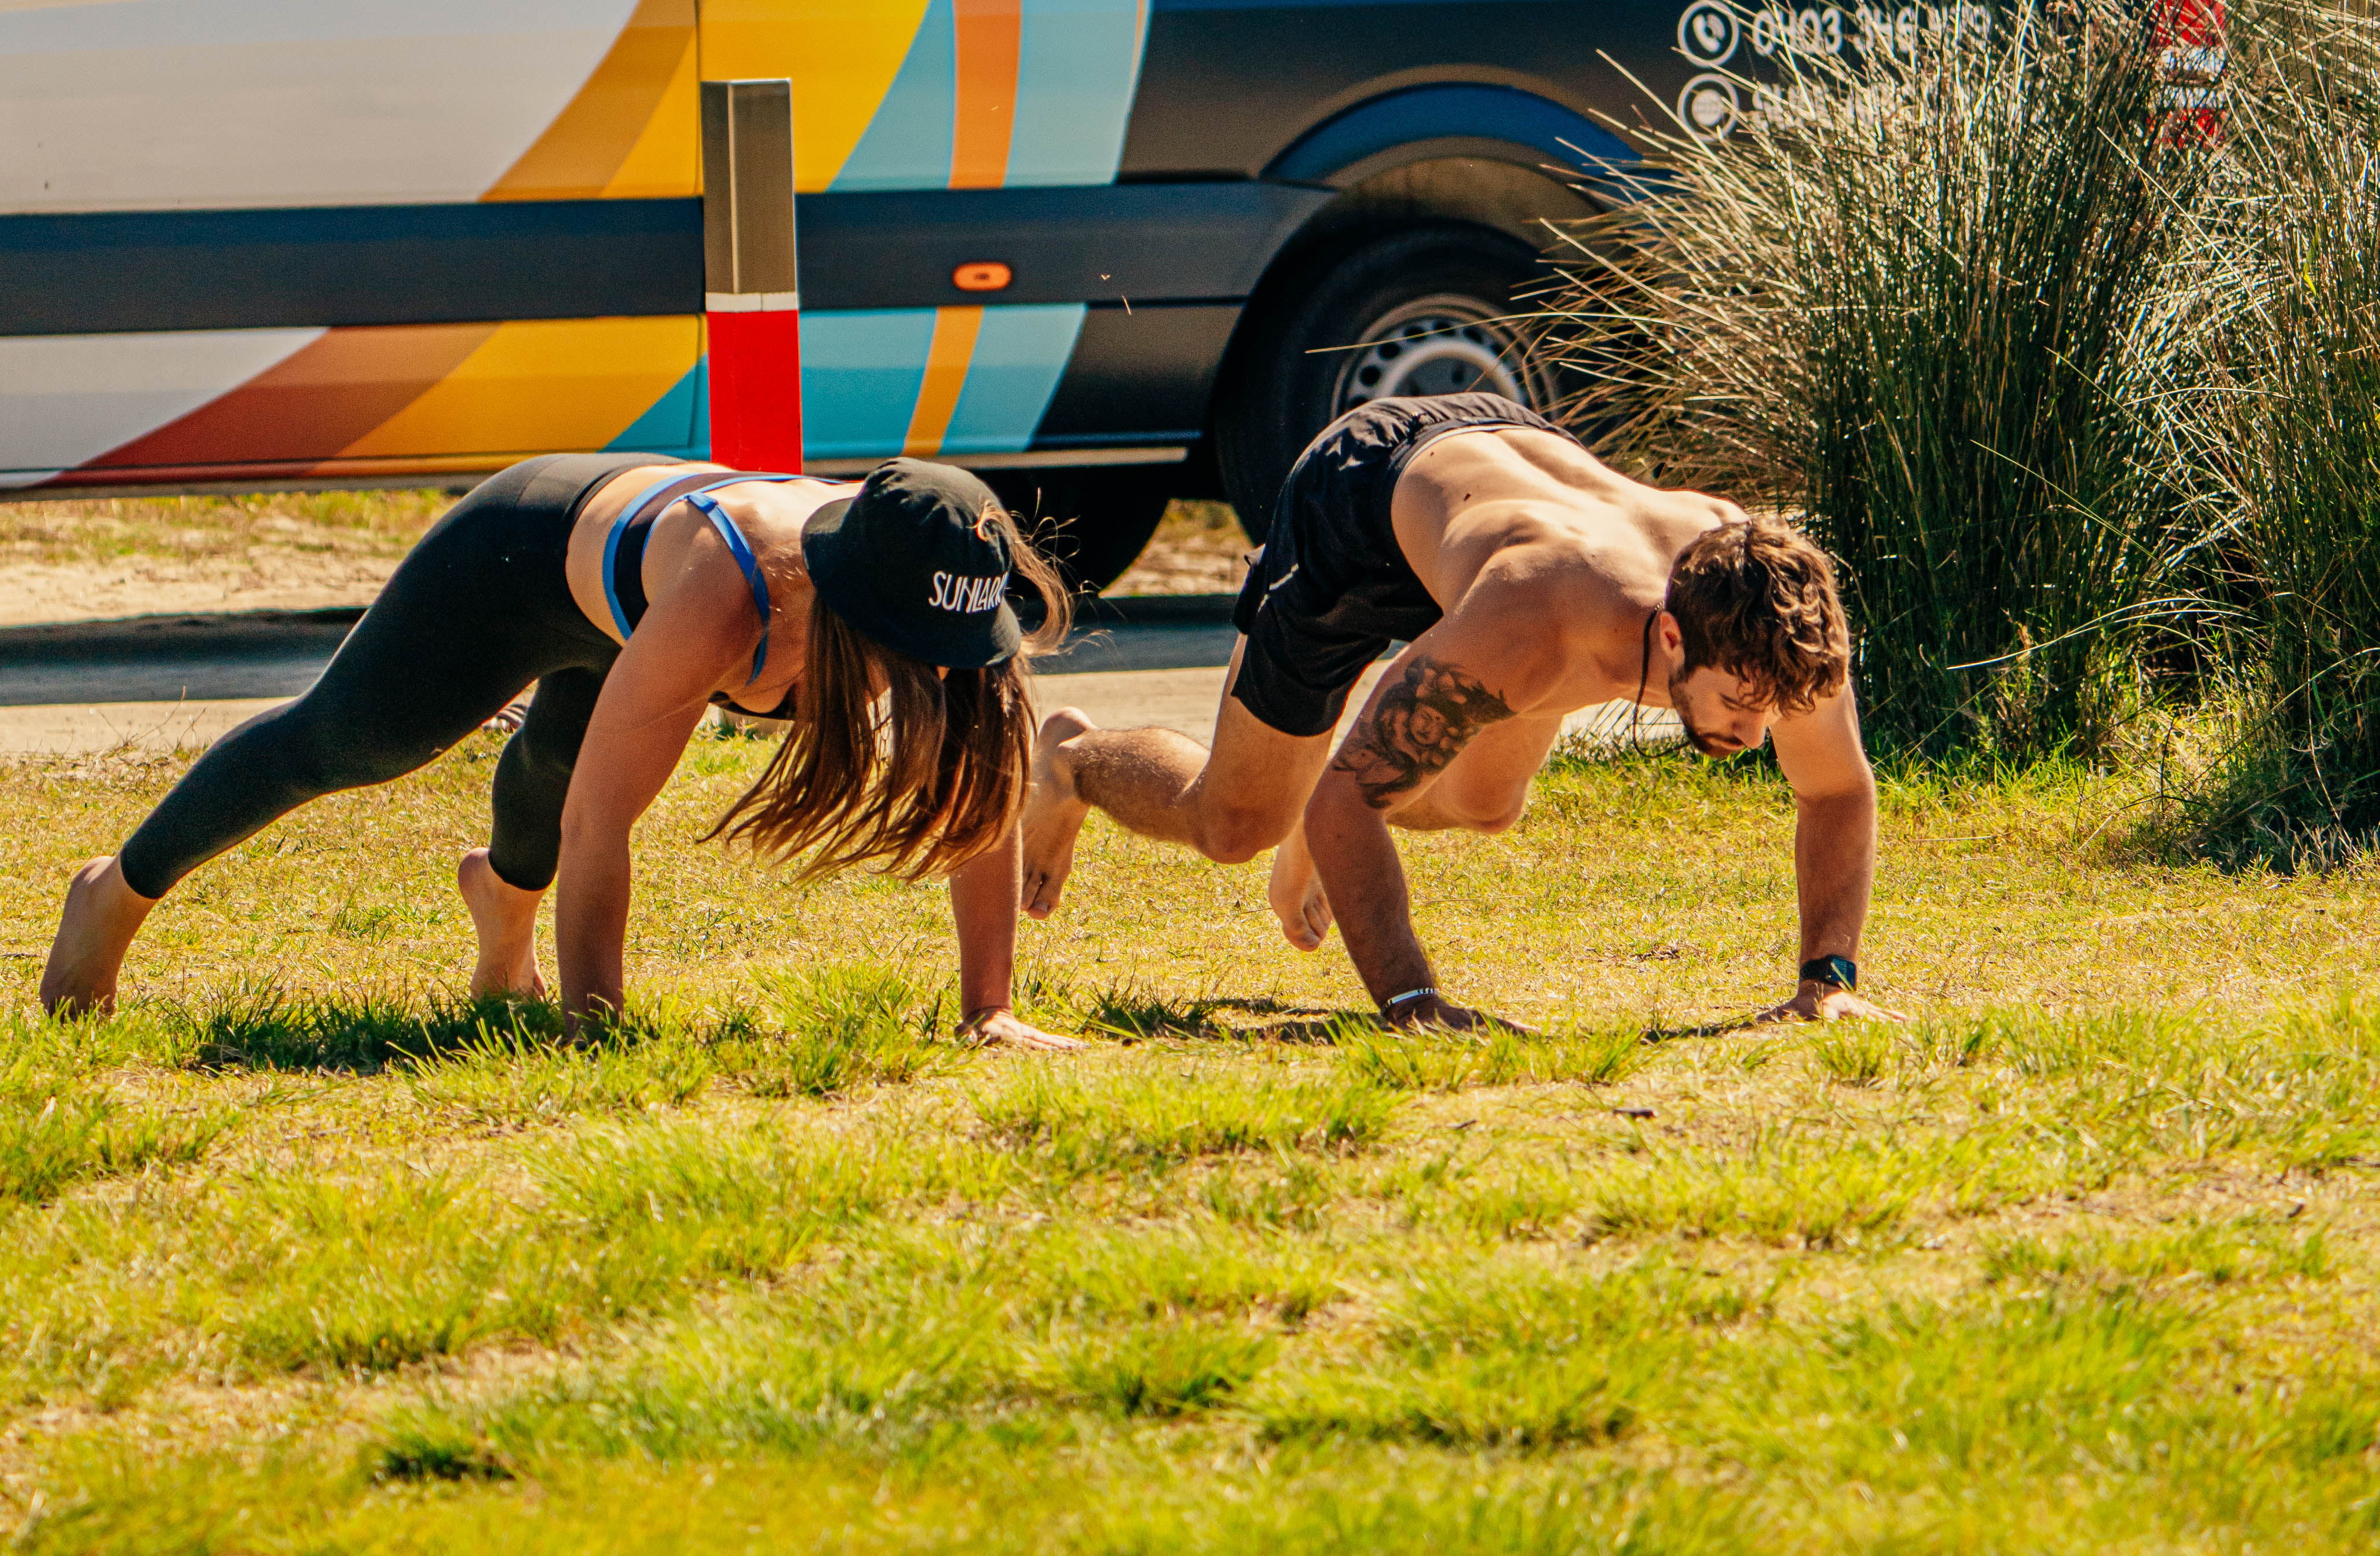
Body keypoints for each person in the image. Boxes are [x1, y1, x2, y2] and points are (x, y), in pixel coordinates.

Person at [42, 454, 1074, 1043]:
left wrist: (988, 1010)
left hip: (633, 594)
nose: (942, 671)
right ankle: (113, 893)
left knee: (553, 762)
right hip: (520, 556)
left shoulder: (952, 607)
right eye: (917, 650)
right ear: (851, 611)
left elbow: (975, 805)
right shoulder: (737, 596)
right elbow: (602, 824)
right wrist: (597, 1024)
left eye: (955, 646)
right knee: (353, 742)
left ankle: (502, 922)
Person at [1020, 395, 1878, 1029]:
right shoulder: (1538, 618)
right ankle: (1072, 759)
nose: (1755, 733)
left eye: (1769, 710)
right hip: (1358, 509)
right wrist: (1411, 1001)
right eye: (1736, 703)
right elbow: (1348, 803)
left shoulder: (1770, 624)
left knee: (1482, 804)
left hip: (1505, 473)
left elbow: (1834, 789)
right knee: (1239, 824)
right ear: (1668, 635)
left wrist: (1827, 980)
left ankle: (1342, 774)